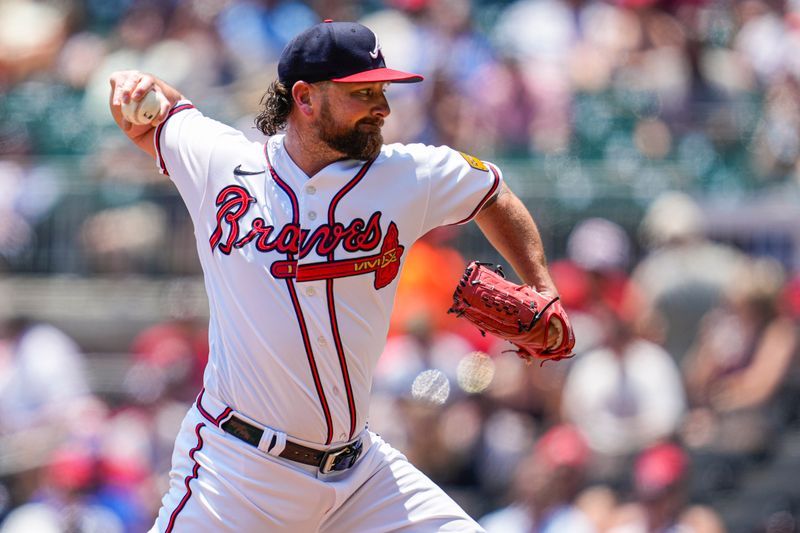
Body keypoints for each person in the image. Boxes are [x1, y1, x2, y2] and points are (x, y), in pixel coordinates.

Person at [108, 20, 571, 532]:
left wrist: (541, 284)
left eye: (383, 91)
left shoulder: (406, 175)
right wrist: (131, 84)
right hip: (238, 474)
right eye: (364, 92)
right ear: (305, 99)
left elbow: (492, 191)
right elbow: (161, 113)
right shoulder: (223, 164)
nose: (384, 108)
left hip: (360, 477)